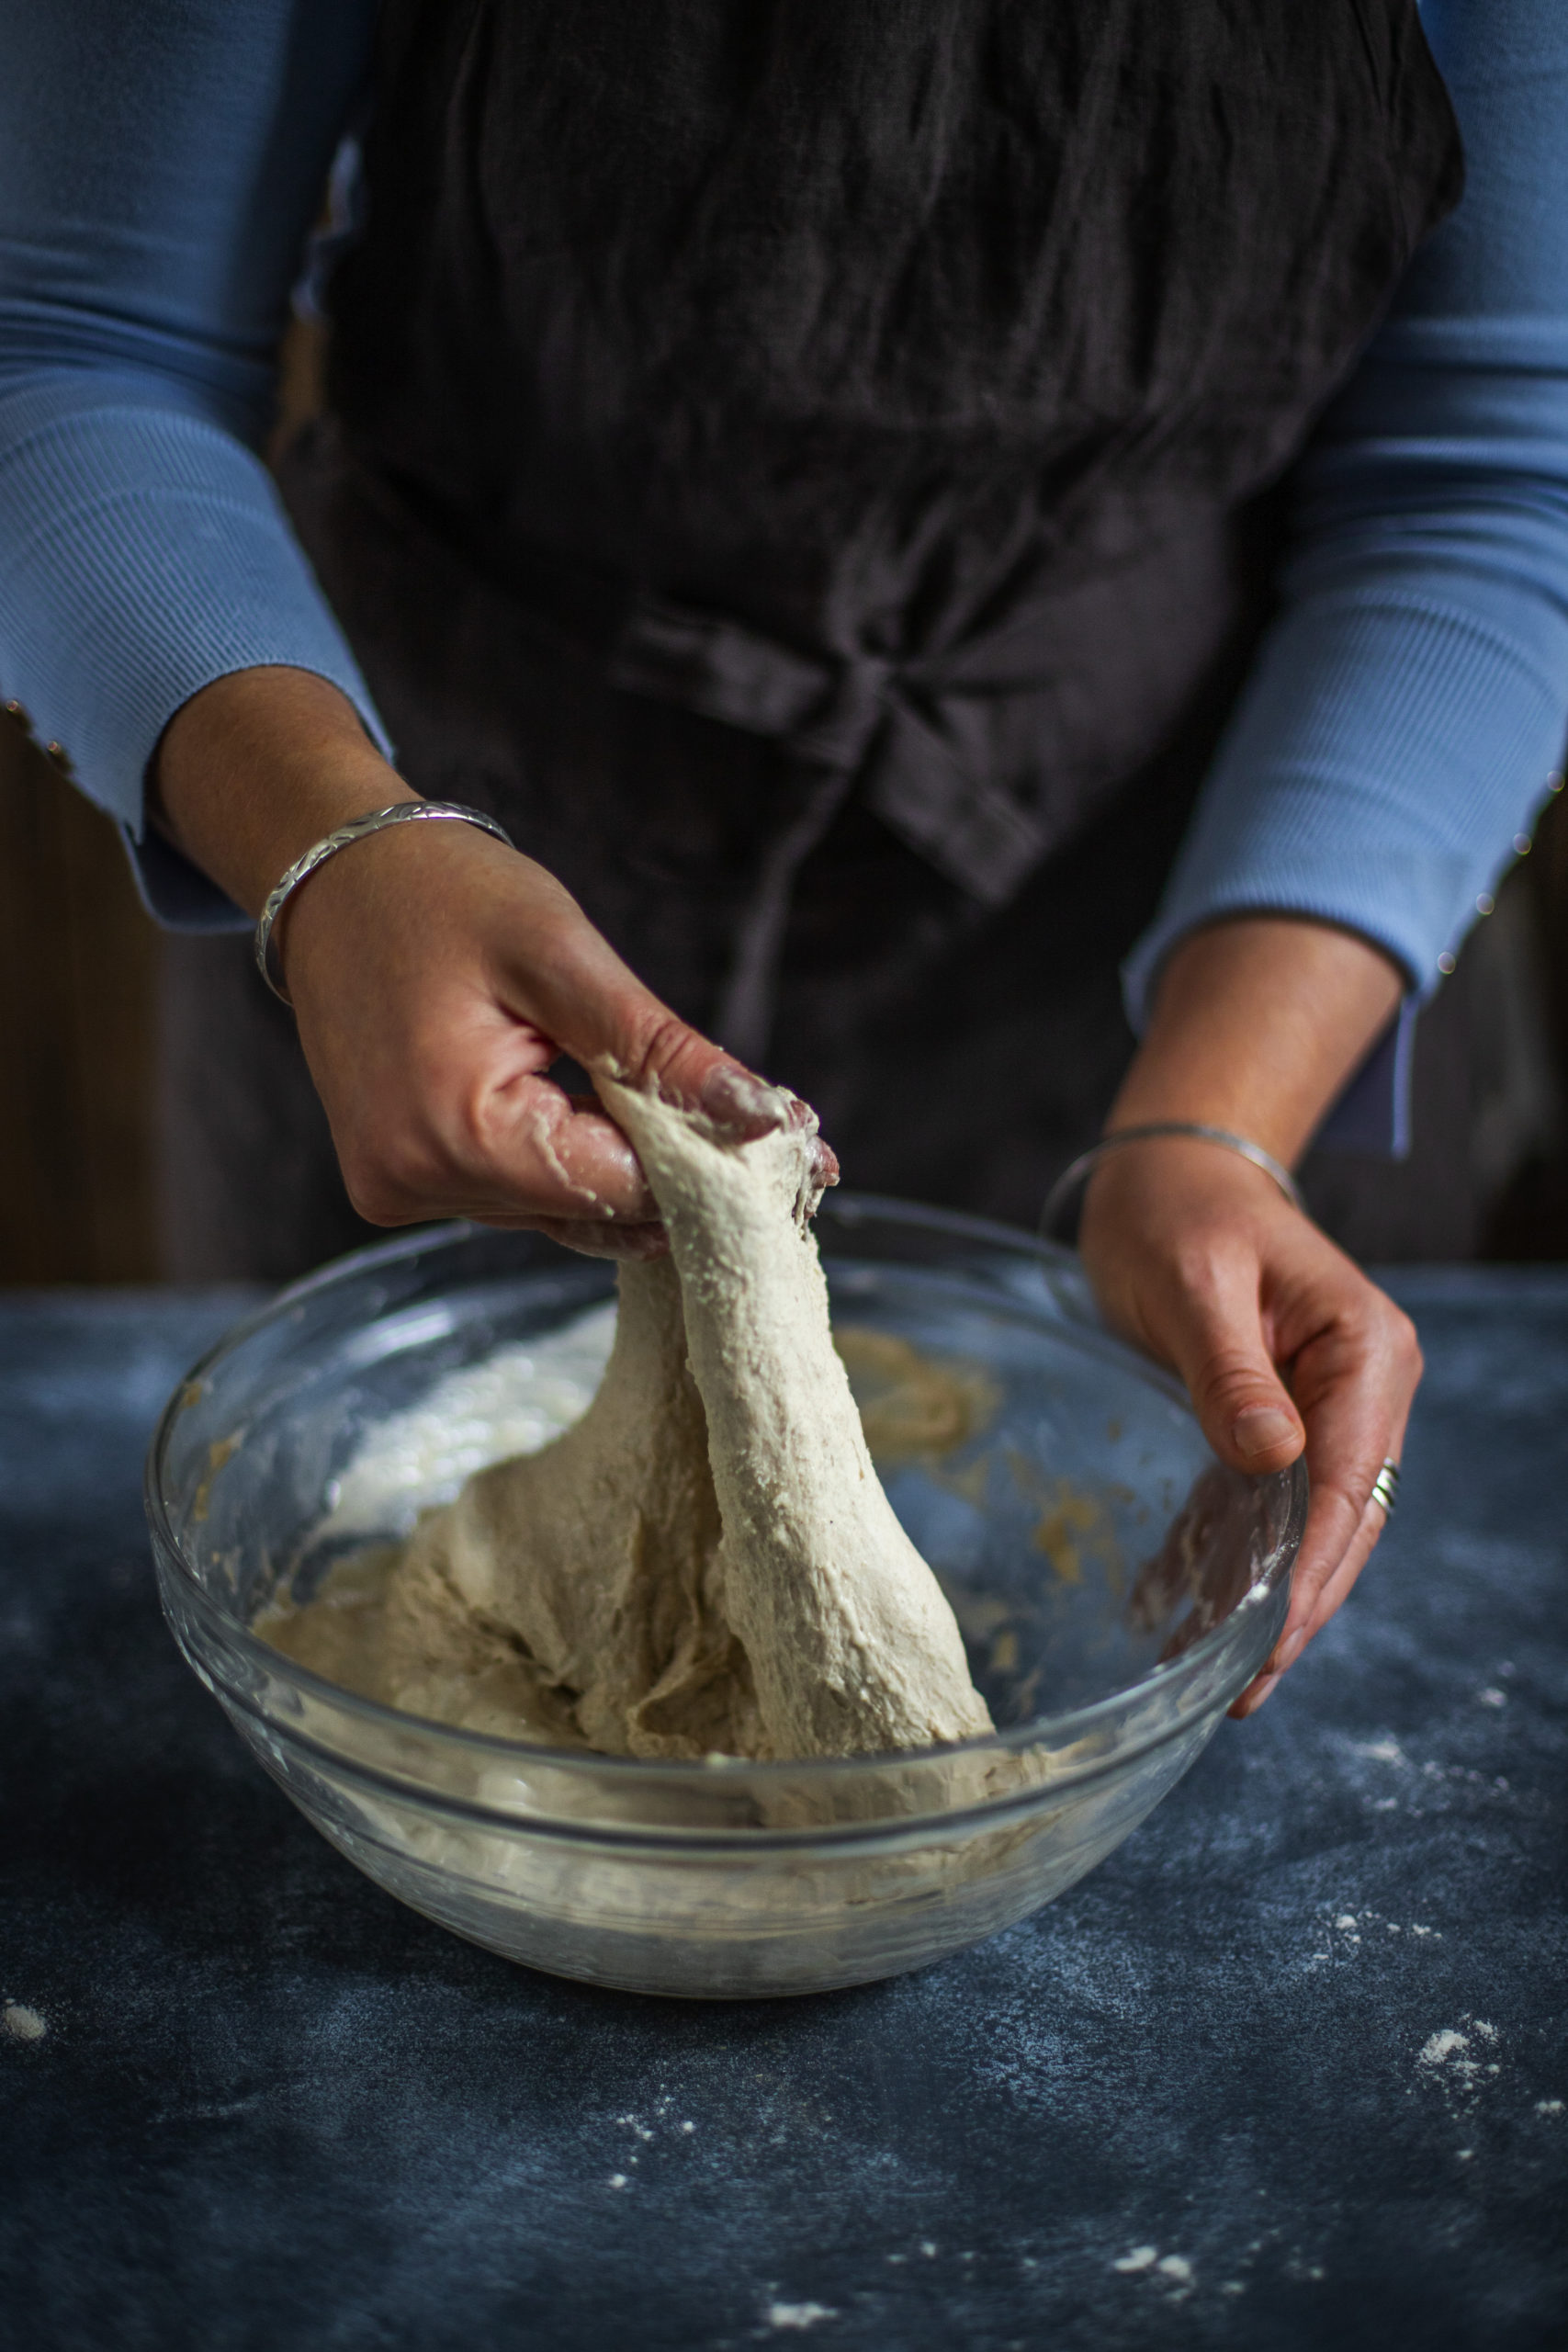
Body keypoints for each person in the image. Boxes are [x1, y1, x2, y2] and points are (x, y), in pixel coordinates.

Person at [2, 0, 1565, 1717]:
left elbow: (1493, 477)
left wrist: (1221, 1122)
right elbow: (73, 339)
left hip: (1191, 889)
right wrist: (332, 849)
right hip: (414, 845)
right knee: (360, 1530)